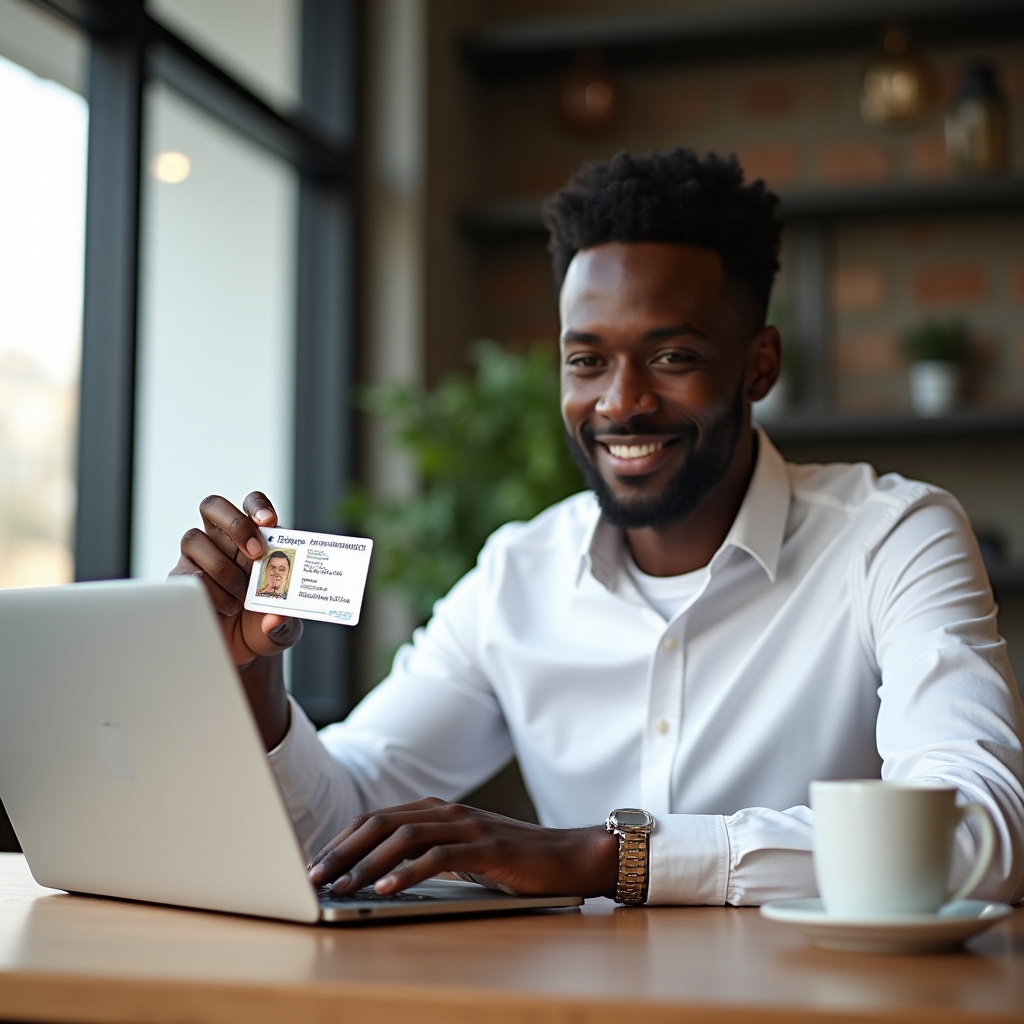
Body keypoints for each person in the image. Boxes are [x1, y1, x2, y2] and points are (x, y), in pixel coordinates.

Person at [174, 149, 1024, 906]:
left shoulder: (893, 538)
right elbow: (342, 824)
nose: (620, 403)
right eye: (587, 360)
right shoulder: (518, 574)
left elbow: (982, 835)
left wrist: (610, 858)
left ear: (758, 365)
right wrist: (250, 674)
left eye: (671, 356)